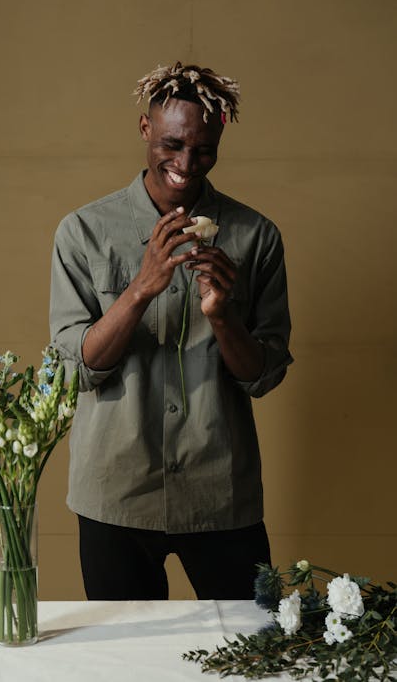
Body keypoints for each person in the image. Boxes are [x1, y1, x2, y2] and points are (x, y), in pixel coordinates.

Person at [50, 62, 293, 600]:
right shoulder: (84, 231)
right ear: (145, 130)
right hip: (116, 490)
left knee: (254, 650)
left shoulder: (256, 236)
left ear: (220, 139)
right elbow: (75, 368)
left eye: (203, 149)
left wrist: (223, 315)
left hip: (221, 493)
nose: (186, 163)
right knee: (128, 667)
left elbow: (264, 375)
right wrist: (140, 289)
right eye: (172, 143)